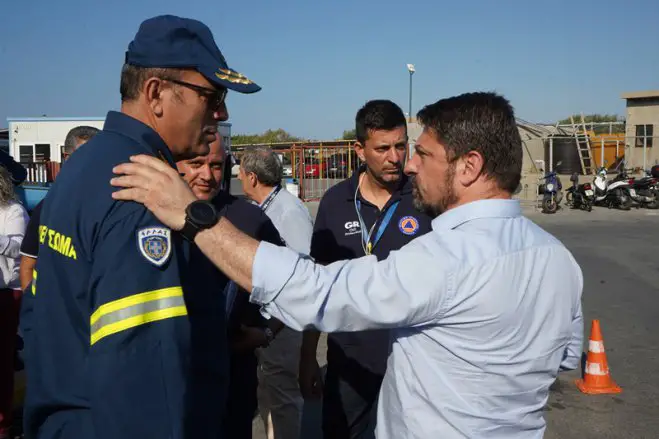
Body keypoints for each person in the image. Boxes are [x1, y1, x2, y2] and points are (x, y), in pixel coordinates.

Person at [110, 91, 584, 439]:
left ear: (469, 166)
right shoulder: (559, 261)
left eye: (423, 153)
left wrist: (195, 219)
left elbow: (315, 292)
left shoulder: (446, 261)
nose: (411, 165)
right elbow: (563, 358)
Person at [21, 14, 261, 439]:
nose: (221, 111)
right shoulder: (145, 192)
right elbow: (147, 373)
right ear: (156, 94)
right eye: (211, 95)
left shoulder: (85, 169)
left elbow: (39, 316)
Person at [299, 100, 433, 438]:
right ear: (360, 150)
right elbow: (319, 285)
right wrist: (306, 357)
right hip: (349, 365)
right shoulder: (334, 202)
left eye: (401, 146)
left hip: (410, 363)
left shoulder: (423, 198)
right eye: (383, 148)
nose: (395, 157)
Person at [176, 135, 285, 438]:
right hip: (172, 379)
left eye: (215, 165)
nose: (207, 176)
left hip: (232, 378)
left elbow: (289, 286)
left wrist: (266, 332)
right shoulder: (150, 216)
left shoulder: (249, 218)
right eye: (196, 164)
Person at [238, 145, 314, 439]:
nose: (240, 179)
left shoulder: (287, 212)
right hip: (268, 321)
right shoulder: (268, 208)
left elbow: (303, 270)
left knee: (283, 397)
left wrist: (276, 326)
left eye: (241, 173)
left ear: (252, 178)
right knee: (269, 391)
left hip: (284, 324)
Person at [18, 125, 100, 290]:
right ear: (67, 157)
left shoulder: (110, 206)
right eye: (86, 156)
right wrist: (33, 310)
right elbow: (28, 266)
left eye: (99, 157)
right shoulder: (46, 207)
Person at [0, 166, 29, 439]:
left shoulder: (13, 210)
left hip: (7, 293)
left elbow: (20, 247)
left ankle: (4, 424)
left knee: (3, 361)